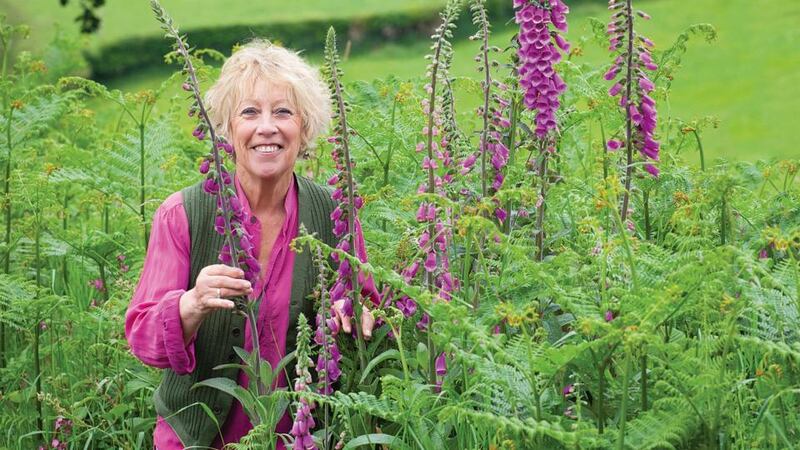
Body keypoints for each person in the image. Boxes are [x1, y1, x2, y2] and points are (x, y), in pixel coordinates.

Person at [125, 40, 377, 449]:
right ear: (226, 129)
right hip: (198, 439)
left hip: (299, 438)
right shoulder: (183, 214)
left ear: (305, 127)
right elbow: (143, 338)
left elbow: (363, 301)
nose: (267, 127)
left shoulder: (334, 212)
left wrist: (355, 311)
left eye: (283, 112)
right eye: (249, 112)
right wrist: (191, 303)